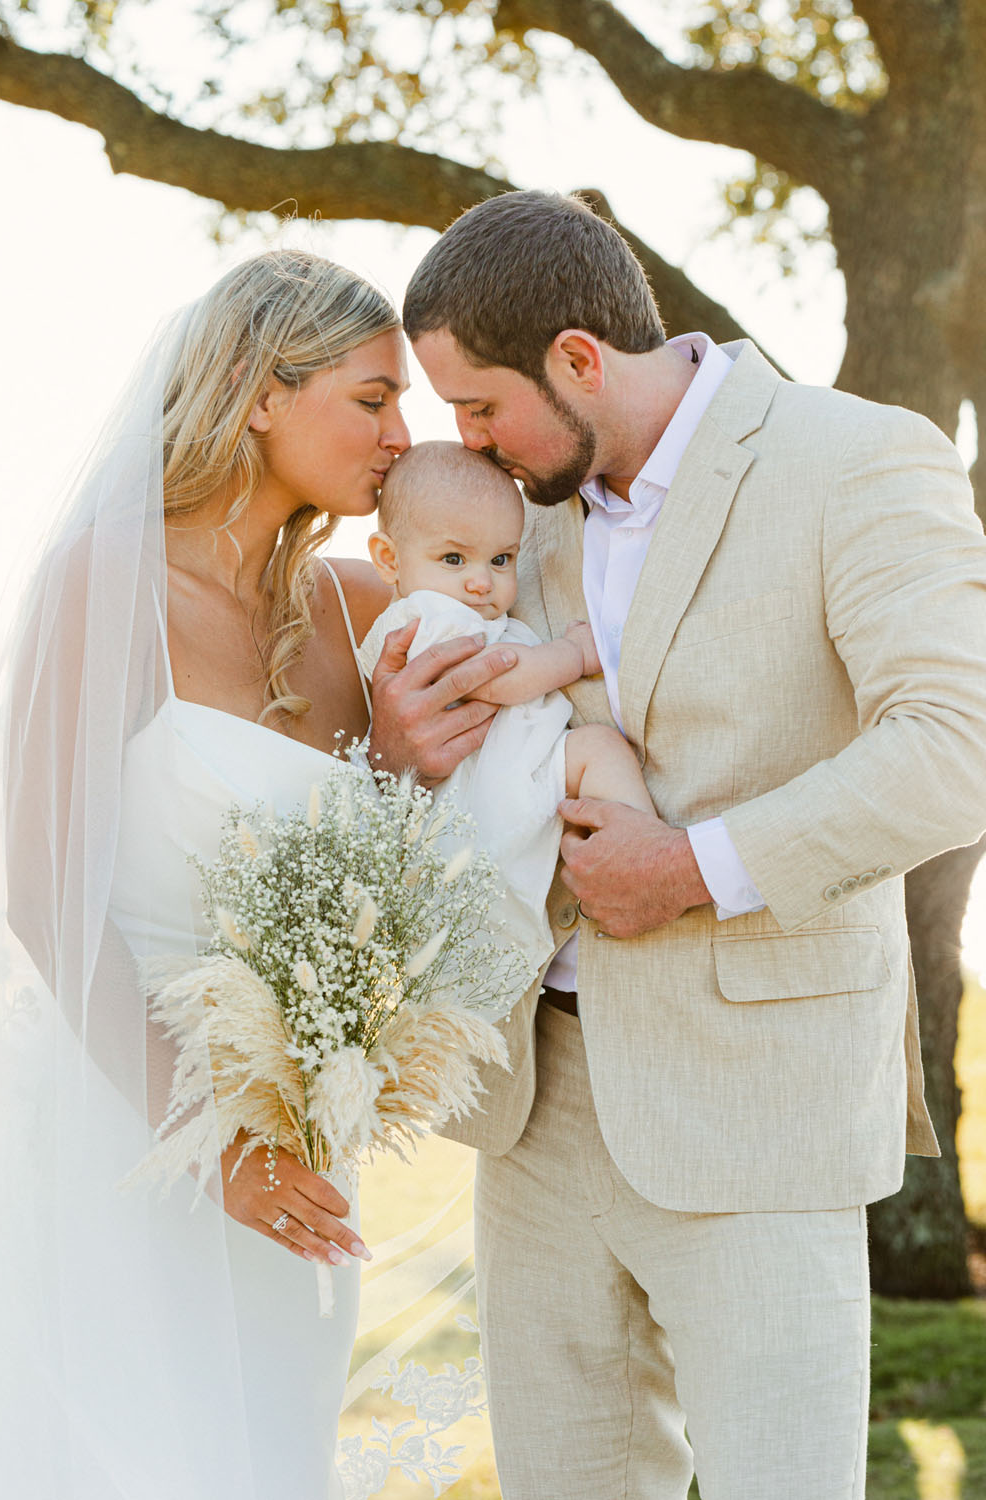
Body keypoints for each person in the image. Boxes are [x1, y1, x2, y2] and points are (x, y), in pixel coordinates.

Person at [362, 190, 986, 1499]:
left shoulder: (858, 458)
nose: (460, 443)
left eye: (479, 406)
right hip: (532, 1109)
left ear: (580, 359)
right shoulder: (514, 505)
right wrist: (403, 753)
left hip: (759, 1098)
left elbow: (956, 742)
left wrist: (691, 867)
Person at [0, 249, 496, 1500]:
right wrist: (214, 1145)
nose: (401, 436)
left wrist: (401, 769)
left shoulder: (361, 604)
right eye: (373, 399)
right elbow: (45, 895)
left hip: (301, 1144)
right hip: (129, 1120)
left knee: (267, 1453)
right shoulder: (104, 585)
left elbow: (398, 857)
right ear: (261, 392)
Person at [358, 439, 653, 980]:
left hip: (518, 760)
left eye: (501, 559)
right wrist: (573, 654)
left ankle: (632, 851)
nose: (481, 581)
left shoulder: (462, 606)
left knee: (598, 752)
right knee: (600, 751)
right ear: (388, 559)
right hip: (487, 787)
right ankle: (639, 859)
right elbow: (497, 680)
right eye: (453, 558)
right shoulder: (424, 619)